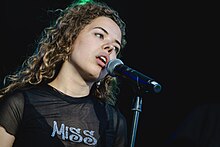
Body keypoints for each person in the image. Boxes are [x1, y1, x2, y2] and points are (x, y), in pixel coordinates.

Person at [0, 0, 128, 146]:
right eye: (99, 35)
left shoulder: (113, 121)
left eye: (116, 47)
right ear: (69, 39)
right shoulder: (19, 104)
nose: (110, 47)